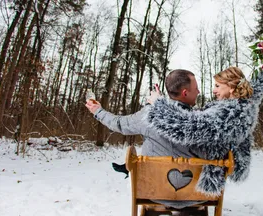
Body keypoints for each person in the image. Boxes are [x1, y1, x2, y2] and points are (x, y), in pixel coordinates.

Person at [85, 69, 202, 208]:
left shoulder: (149, 114)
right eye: (196, 88)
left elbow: (119, 124)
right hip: (196, 194)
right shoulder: (202, 120)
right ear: (185, 93)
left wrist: (98, 111)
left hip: (154, 192)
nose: (199, 92)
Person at [147, 67, 263, 196]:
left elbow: (187, 127)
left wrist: (158, 104)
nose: (214, 90)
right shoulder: (244, 104)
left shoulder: (230, 115)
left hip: (200, 185)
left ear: (231, 88)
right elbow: (257, 87)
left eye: (217, 86)